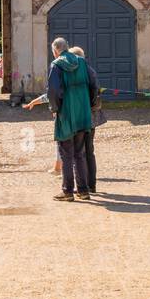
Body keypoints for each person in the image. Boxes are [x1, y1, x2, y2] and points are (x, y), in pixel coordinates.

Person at [47, 37, 92, 202]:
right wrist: (90, 106)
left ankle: (67, 191)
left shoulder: (56, 64)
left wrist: (54, 109)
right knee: (79, 153)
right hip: (82, 111)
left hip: (66, 112)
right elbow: (92, 83)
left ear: (55, 50)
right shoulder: (82, 61)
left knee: (66, 153)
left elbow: (53, 91)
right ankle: (83, 190)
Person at [69, 46, 102, 197]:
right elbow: (96, 91)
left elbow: (93, 92)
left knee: (80, 151)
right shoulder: (91, 70)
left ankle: (85, 186)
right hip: (92, 114)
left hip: (84, 114)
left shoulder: (79, 71)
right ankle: (92, 184)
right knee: (90, 150)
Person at [22, 88, 63, 176]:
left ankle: (60, 169)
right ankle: (58, 168)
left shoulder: (61, 81)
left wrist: (33, 102)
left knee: (63, 143)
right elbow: (48, 96)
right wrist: (33, 102)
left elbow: (49, 96)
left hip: (63, 118)